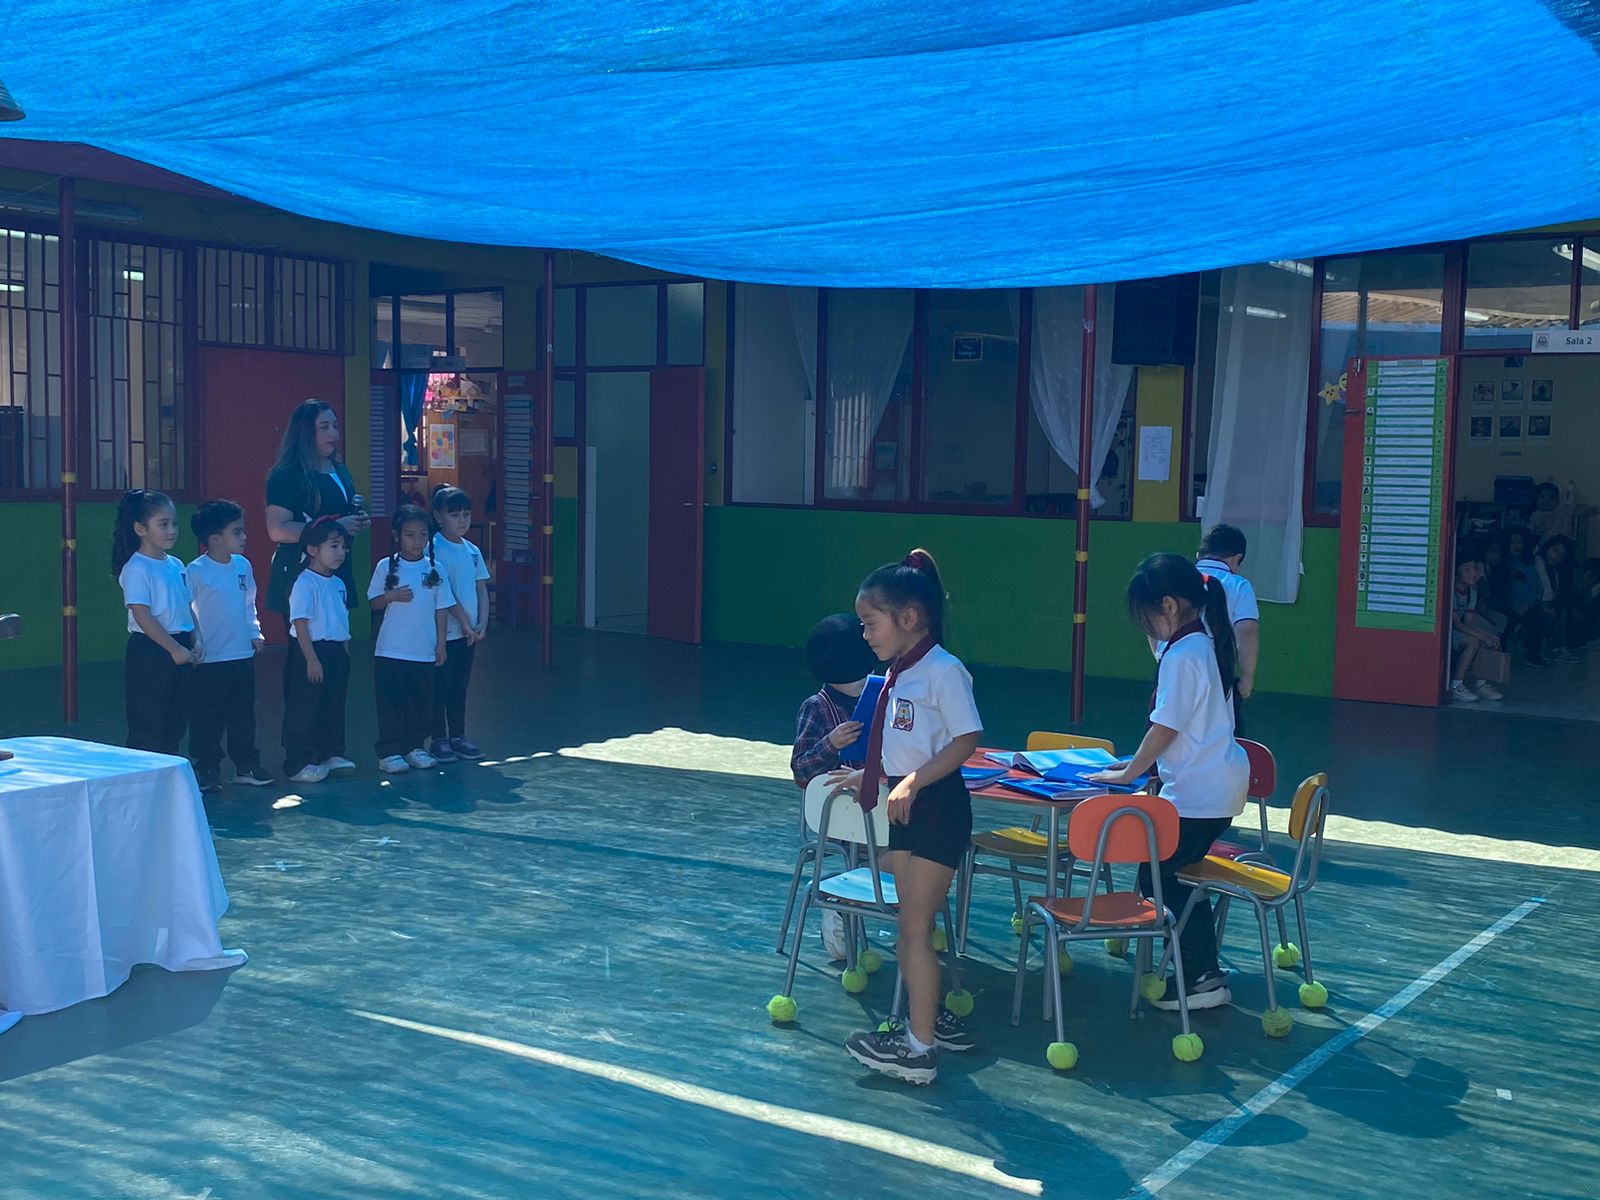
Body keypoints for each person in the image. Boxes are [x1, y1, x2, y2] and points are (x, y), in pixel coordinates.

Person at [832, 550, 981, 1085]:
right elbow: (905, 744)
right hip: (906, 809)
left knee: (913, 931)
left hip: (937, 809)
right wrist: (872, 776)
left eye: (871, 623)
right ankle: (927, 1013)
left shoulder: (943, 671)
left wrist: (915, 781)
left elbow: (967, 739)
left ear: (909, 618)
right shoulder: (898, 673)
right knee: (914, 927)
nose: (865, 634)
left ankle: (918, 1050)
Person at [1089, 553, 1249, 1013]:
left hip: (1199, 793)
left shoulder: (1184, 654)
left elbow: (1165, 728)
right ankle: (1189, 967)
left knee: (1165, 879)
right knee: (1166, 875)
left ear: (1169, 606)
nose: (1145, 628)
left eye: (1145, 617)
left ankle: (1200, 976)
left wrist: (1130, 772)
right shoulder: (1201, 643)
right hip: (1215, 786)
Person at [792, 612, 880, 964]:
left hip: (882, 809)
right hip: (841, 819)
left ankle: (914, 915)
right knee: (882, 851)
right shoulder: (816, 708)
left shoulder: (881, 697)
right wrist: (831, 744)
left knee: (915, 848)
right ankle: (838, 902)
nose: (861, 682)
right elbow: (800, 770)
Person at [187, 500, 273, 793]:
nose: (244, 536)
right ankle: (207, 767)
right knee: (206, 717)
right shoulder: (195, 571)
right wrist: (195, 643)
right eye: (237, 532)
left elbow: (249, 603)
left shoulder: (242, 566)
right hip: (208, 661)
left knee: (243, 715)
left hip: (241, 656)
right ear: (214, 539)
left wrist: (254, 632)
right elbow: (186, 610)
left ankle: (246, 765)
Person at [264, 400, 369, 632]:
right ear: (306, 432)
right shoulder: (287, 475)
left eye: (335, 426)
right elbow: (277, 529)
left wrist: (356, 520)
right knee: (305, 645)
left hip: (336, 568)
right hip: (301, 569)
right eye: (324, 427)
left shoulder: (339, 469)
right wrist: (336, 527)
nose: (333, 434)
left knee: (337, 637)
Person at [368, 505, 454, 774]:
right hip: (391, 650)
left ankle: (414, 746)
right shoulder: (386, 566)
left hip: (423, 649)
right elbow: (373, 602)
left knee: (420, 703)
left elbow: (442, 608)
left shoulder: (435, 568)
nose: (417, 541)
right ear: (397, 536)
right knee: (391, 703)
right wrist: (391, 596)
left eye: (422, 535)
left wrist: (441, 643)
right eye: (410, 535)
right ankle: (389, 752)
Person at [114, 489, 200, 755]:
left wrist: (197, 640)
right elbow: (142, 615)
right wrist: (173, 649)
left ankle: (168, 773)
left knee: (176, 720)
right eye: (163, 524)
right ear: (140, 528)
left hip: (181, 646)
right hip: (152, 650)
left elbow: (187, 607)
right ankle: (144, 776)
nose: (171, 530)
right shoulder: (137, 568)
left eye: (174, 523)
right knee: (148, 722)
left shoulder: (176, 564)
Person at [283, 518, 354, 784]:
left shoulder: (338, 583)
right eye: (333, 546)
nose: (340, 552)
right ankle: (298, 762)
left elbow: (341, 620)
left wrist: (344, 652)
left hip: (336, 651)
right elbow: (300, 624)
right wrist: (311, 659)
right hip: (311, 651)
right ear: (313, 549)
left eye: (343, 547)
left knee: (333, 704)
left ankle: (330, 753)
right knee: (305, 706)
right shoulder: (305, 583)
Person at [428, 486, 491, 762]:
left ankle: (458, 735)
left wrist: (482, 623)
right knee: (439, 687)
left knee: (459, 686)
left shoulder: (472, 550)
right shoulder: (433, 548)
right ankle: (438, 738)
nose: (462, 520)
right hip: (443, 633)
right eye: (454, 515)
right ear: (438, 516)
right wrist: (463, 621)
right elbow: (443, 593)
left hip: (468, 634)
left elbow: (481, 588)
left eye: (466, 514)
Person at [1194, 524, 1260, 734]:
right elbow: (1247, 631)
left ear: (1199, 554)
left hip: (1173, 666)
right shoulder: (1238, 585)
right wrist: (1247, 676)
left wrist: (1161, 657)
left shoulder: (1176, 578)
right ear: (1235, 559)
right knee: (1224, 736)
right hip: (1217, 669)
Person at [1448, 553, 1504, 703]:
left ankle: (1481, 684)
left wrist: (1487, 636)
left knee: (1489, 639)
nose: (1473, 573)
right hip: (1446, 631)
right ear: (1456, 572)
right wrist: (1481, 636)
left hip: (1460, 628)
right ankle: (1456, 685)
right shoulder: (1451, 590)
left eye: (1475, 568)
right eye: (1467, 569)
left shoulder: (1472, 591)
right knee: (1473, 642)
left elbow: (1469, 622)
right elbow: (1456, 624)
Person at [1502, 528, 1548, 668]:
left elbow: (1535, 587)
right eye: (1512, 542)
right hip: (1507, 605)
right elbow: (1503, 591)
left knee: (1538, 616)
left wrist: (1529, 604)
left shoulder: (1529, 565)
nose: (1516, 546)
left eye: (1520, 542)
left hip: (1528, 605)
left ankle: (1532, 655)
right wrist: (1515, 606)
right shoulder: (1503, 564)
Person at [1537, 535, 1580, 664]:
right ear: (1548, 547)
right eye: (1555, 550)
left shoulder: (1556, 572)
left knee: (1562, 612)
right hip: (1533, 604)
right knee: (1550, 614)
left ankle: (1559, 648)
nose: (1555, 556)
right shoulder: (1535, 563)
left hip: (1548, 605)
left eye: (1561, 555)